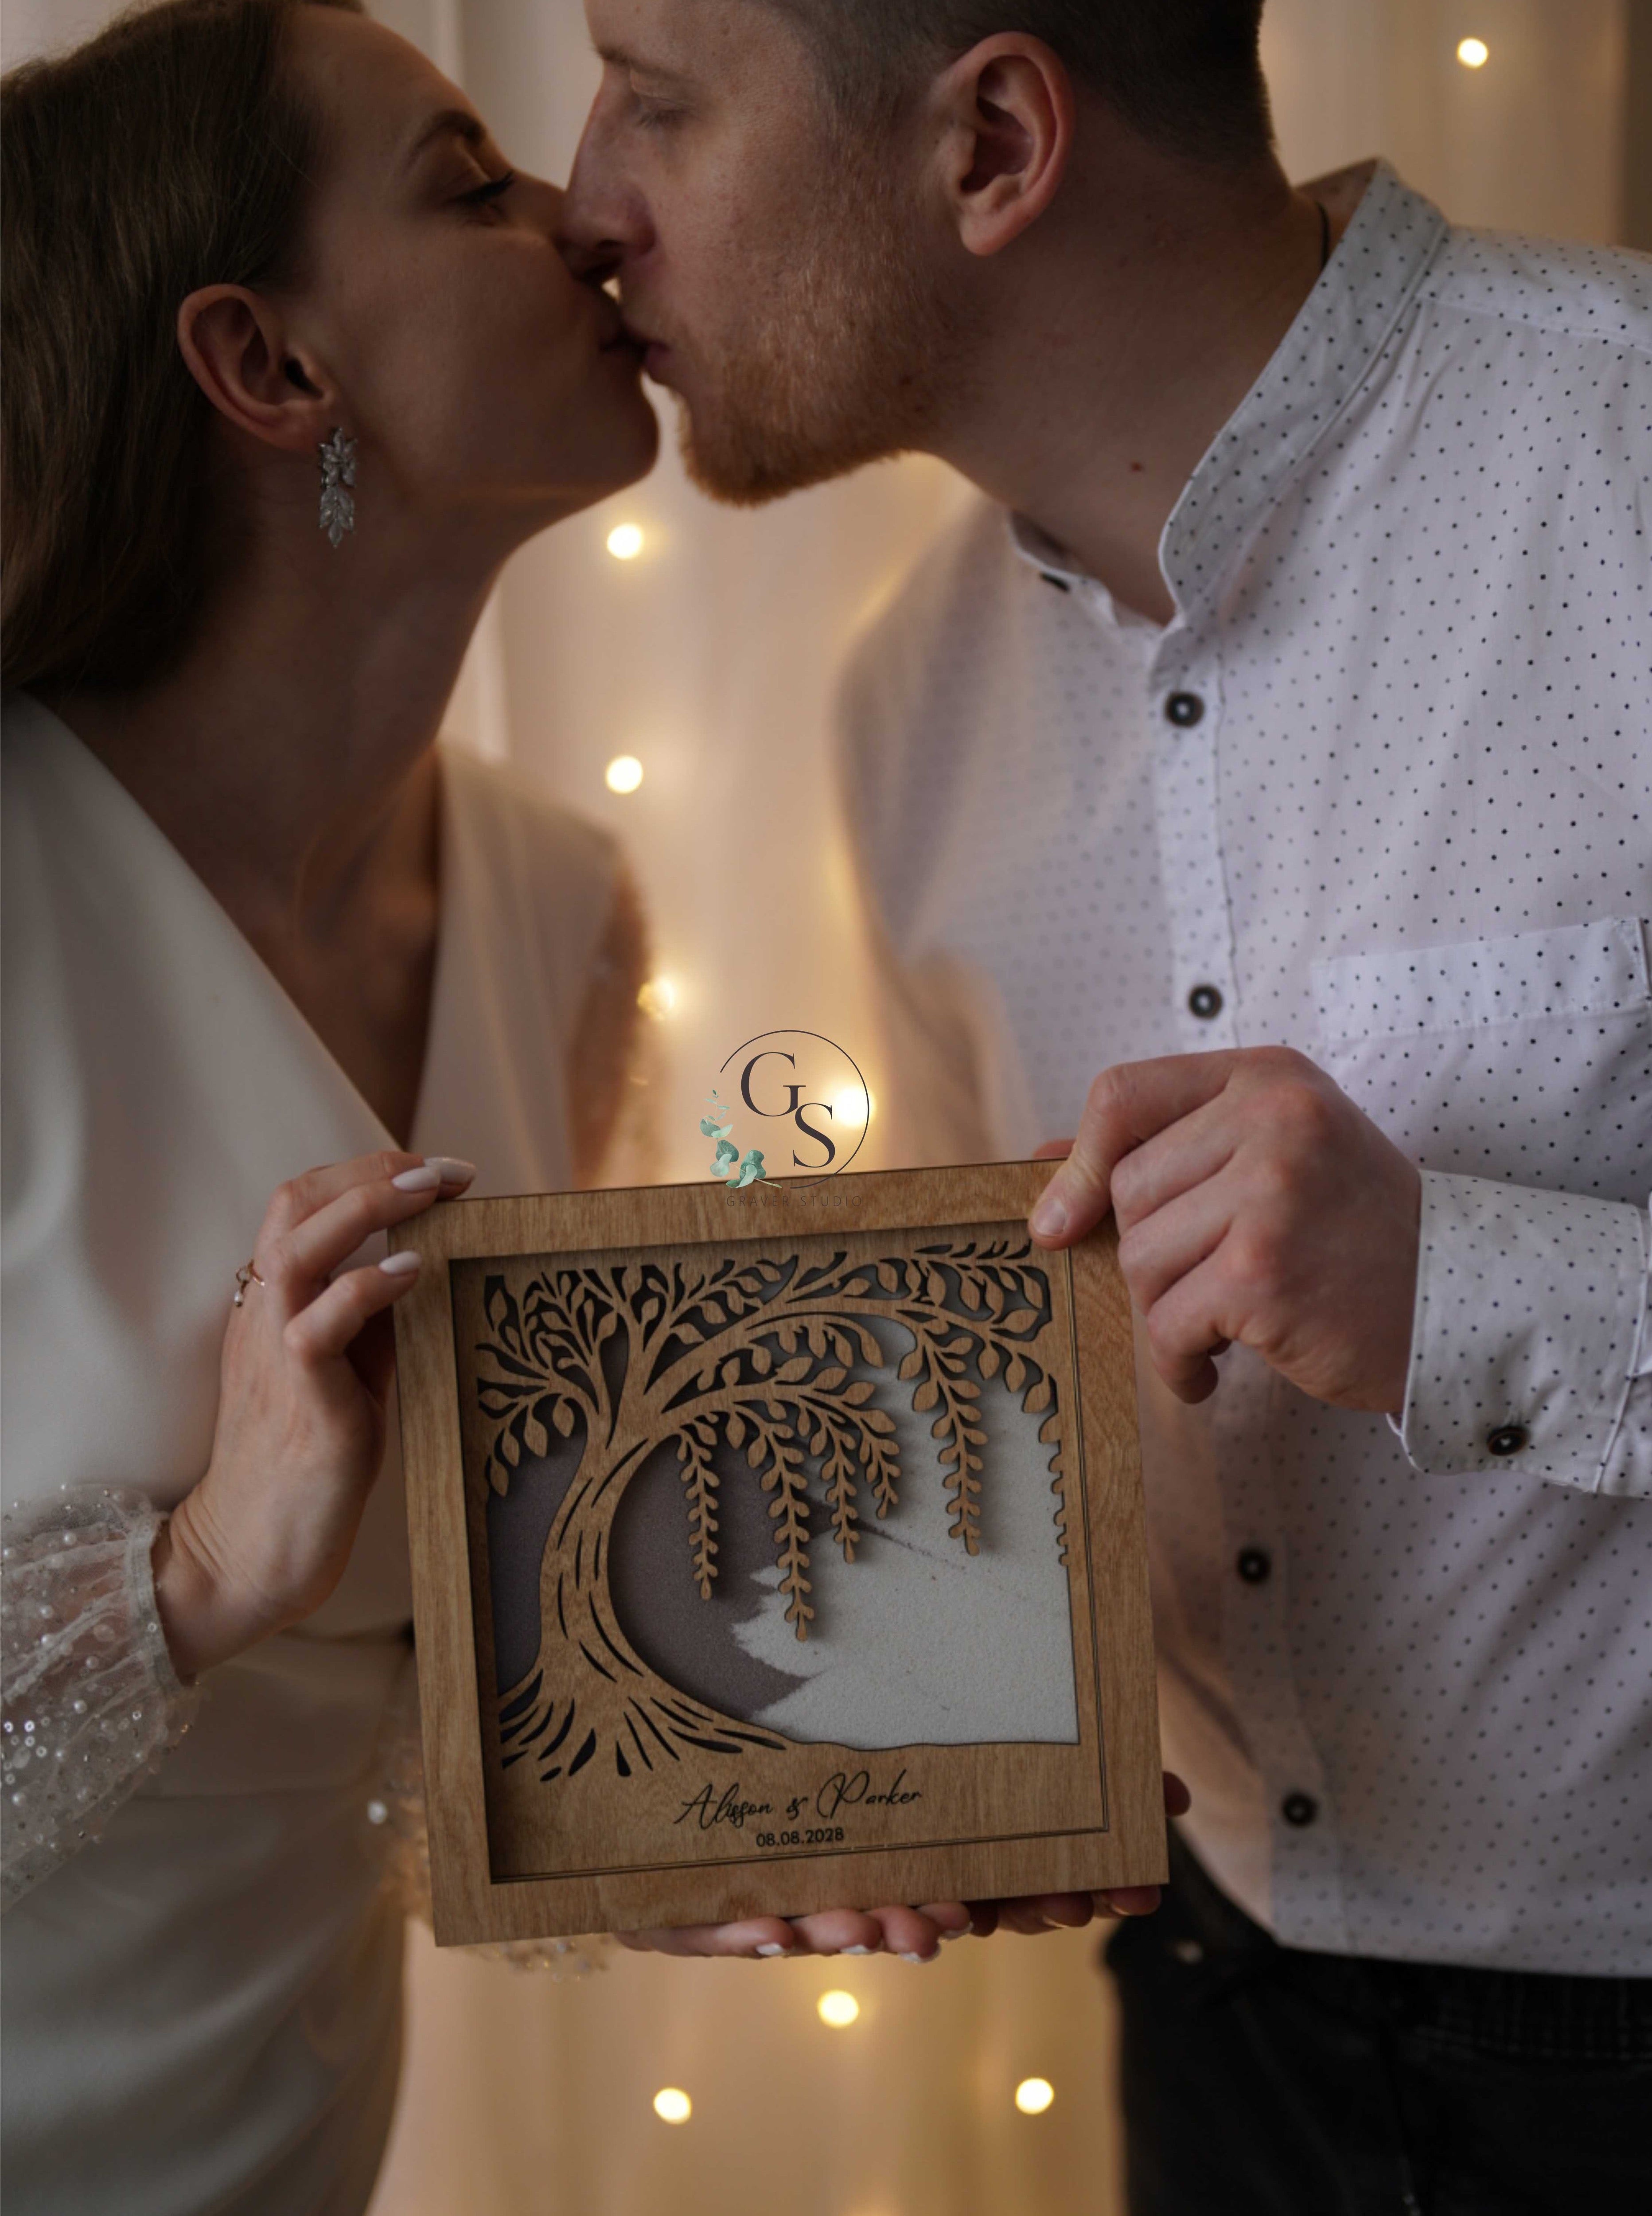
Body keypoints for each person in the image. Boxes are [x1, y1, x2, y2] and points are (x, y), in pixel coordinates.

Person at [561, 0, 1652, 2207]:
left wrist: (1471, 1289)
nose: (586, 203)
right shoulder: (899, 714)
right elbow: (1052, 1425)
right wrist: (808, 1772)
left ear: (994, 144)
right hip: (1222, 2041)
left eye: (653, 99)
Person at [0, 5, 986, 2211]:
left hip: (275, 2134)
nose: (589, 220)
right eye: (471, 183)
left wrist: (639, 1837)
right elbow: (256, 1605)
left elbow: (440, 1679)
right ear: (268, 367)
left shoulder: (568, 906)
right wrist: (191, 1570)